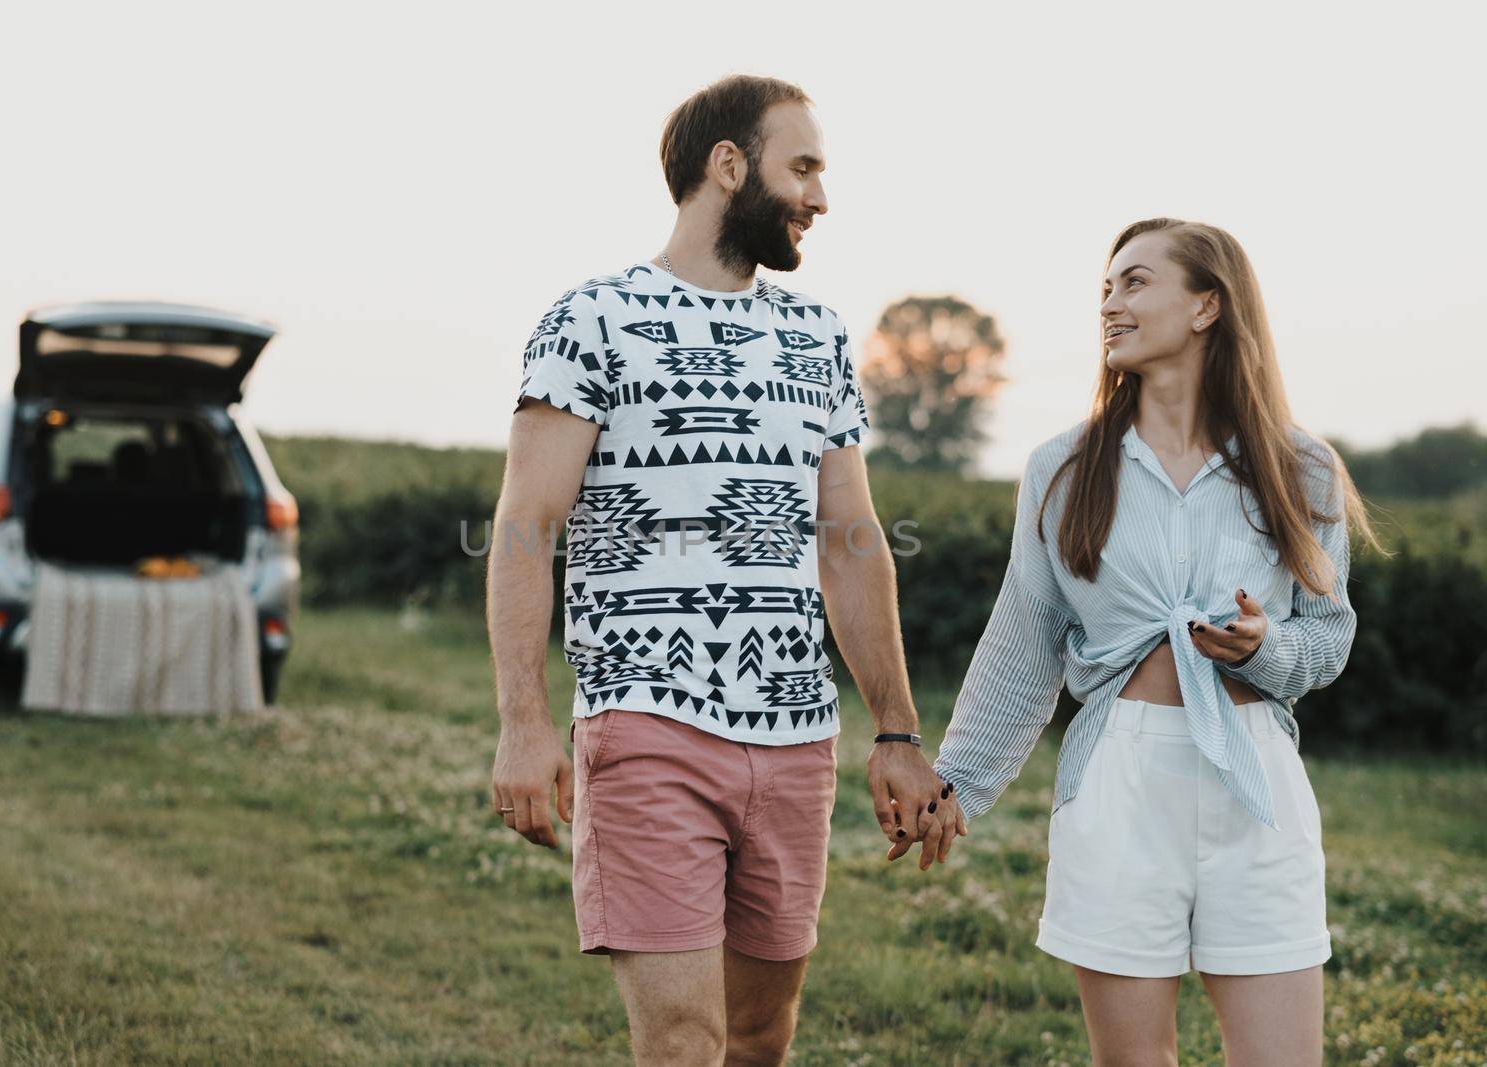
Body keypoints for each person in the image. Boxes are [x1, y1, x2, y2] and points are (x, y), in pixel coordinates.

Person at [486, 74, 958, 1066]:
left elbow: (853, 539)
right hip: (646, 724)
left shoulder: (817, 336)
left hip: (794, 740)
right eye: (804, 167)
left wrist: (898, 729)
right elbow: (528, 524)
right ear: (728, 164)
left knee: (757, 1035)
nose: (820, 198)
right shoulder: (592, 319)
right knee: (685, 1038)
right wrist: (524, 724)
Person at [932, 217, 1380, 1064]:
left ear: (1208, 304)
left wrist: (1263, 650)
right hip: (1121, 781)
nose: (1111, 304)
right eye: (1106, 287)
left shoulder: (1301, 467)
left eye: (1135, 283)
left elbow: (1328, 637)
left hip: (1256, 783)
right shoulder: (1062, 469)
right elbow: (1023, 639)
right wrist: (957, 782)